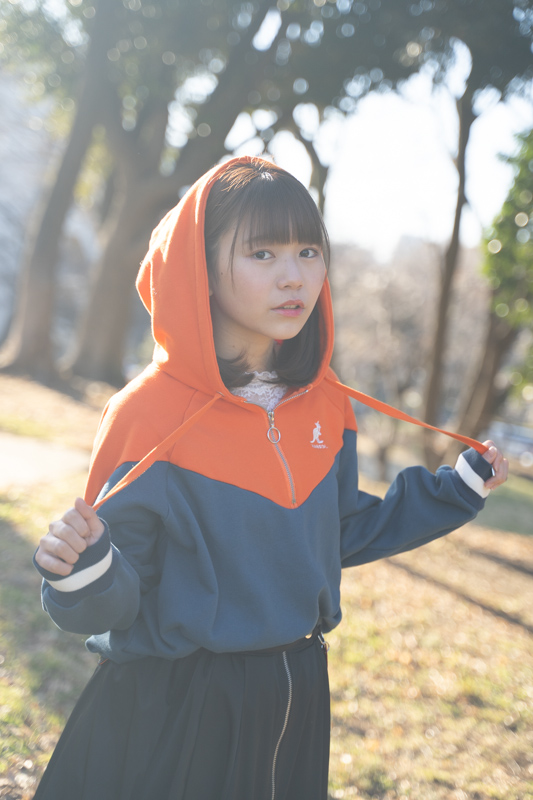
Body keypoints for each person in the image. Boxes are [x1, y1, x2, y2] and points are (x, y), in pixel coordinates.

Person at [32, 155, 508, 800]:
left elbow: (340, 529)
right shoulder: (146, 413)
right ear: (199, 268)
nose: (294, 276)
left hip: (298, 688)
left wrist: (457, 489)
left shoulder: (327, 403)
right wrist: (81, 569)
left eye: (308, 251)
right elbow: (120, 595)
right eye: (263, 253)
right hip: (180, 701)